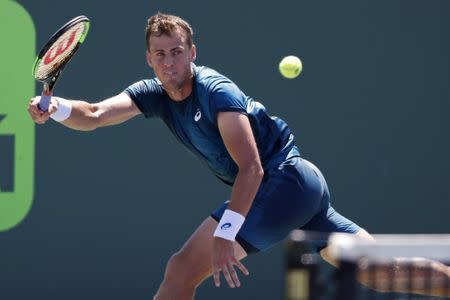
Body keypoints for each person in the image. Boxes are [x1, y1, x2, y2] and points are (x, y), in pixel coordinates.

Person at [28, 13, 448, 300]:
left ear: (193, 52)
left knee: (180, 270)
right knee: (378, 272)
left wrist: (227, 232)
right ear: (149, 60)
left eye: (177, 51)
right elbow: (97, 114)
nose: (169, 61)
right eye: (160, 54)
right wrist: (57, 107)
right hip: (302, 190)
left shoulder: (217, 93)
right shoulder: (153, 93)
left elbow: (252, 166)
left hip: (283, 182)